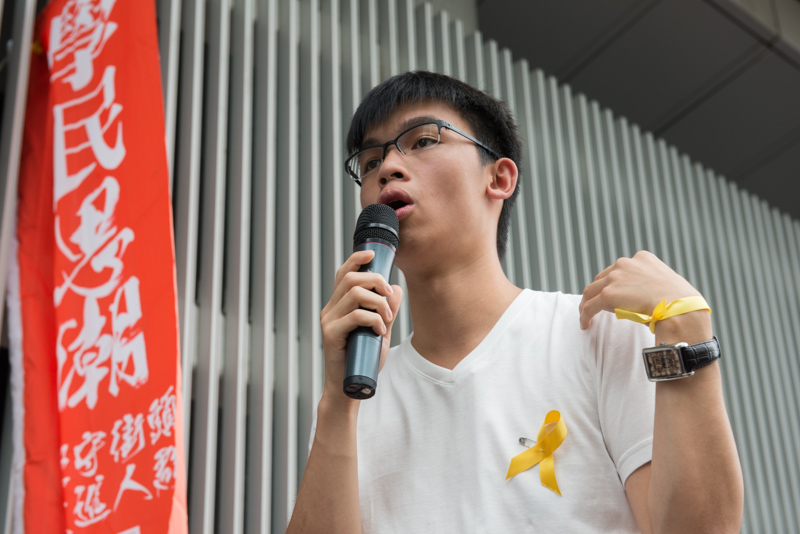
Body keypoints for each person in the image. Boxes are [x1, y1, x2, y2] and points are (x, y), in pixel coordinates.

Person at [287, 70, 743, 533]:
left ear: (499, 177)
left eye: (422, 141)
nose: (387, 167)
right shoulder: (354, 396)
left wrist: (688, 331)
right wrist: (338, 405)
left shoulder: (596, 335)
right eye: (368, 163)